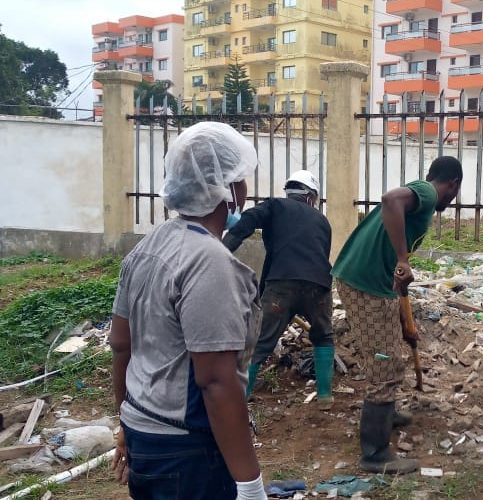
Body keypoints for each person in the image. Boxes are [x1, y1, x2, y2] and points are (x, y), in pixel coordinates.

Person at [110, 122, 268, 500]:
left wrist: (126, 426)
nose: (246, 189)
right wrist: (250, 486)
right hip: (187, 452)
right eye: (241, 179)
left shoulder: (149, 246)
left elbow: (120, 343)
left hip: (146, 436)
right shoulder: (209, 262)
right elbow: (215, 380)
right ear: (228, 189)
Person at [332, 156, 462, 474]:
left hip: (374, 283)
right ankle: (375, 453)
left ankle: (386, 415)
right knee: (385, 365)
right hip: (366, 286)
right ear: (453, 185)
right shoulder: (429, 193)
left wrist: (405, 320)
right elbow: (390, 199)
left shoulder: (423, 198)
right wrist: (404, 258)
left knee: (392, 355)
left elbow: (393, 259)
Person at [222, 170, 334, 407]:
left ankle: (239, 401)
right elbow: (321, 257)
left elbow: (248, 221)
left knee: (260, 342)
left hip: (282, 285)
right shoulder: (322, 221)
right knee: (323, 337)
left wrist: (221, 250)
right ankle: (325, 396)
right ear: (311, 196)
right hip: (319, 286)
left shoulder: (276, 206)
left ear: (289, 191)